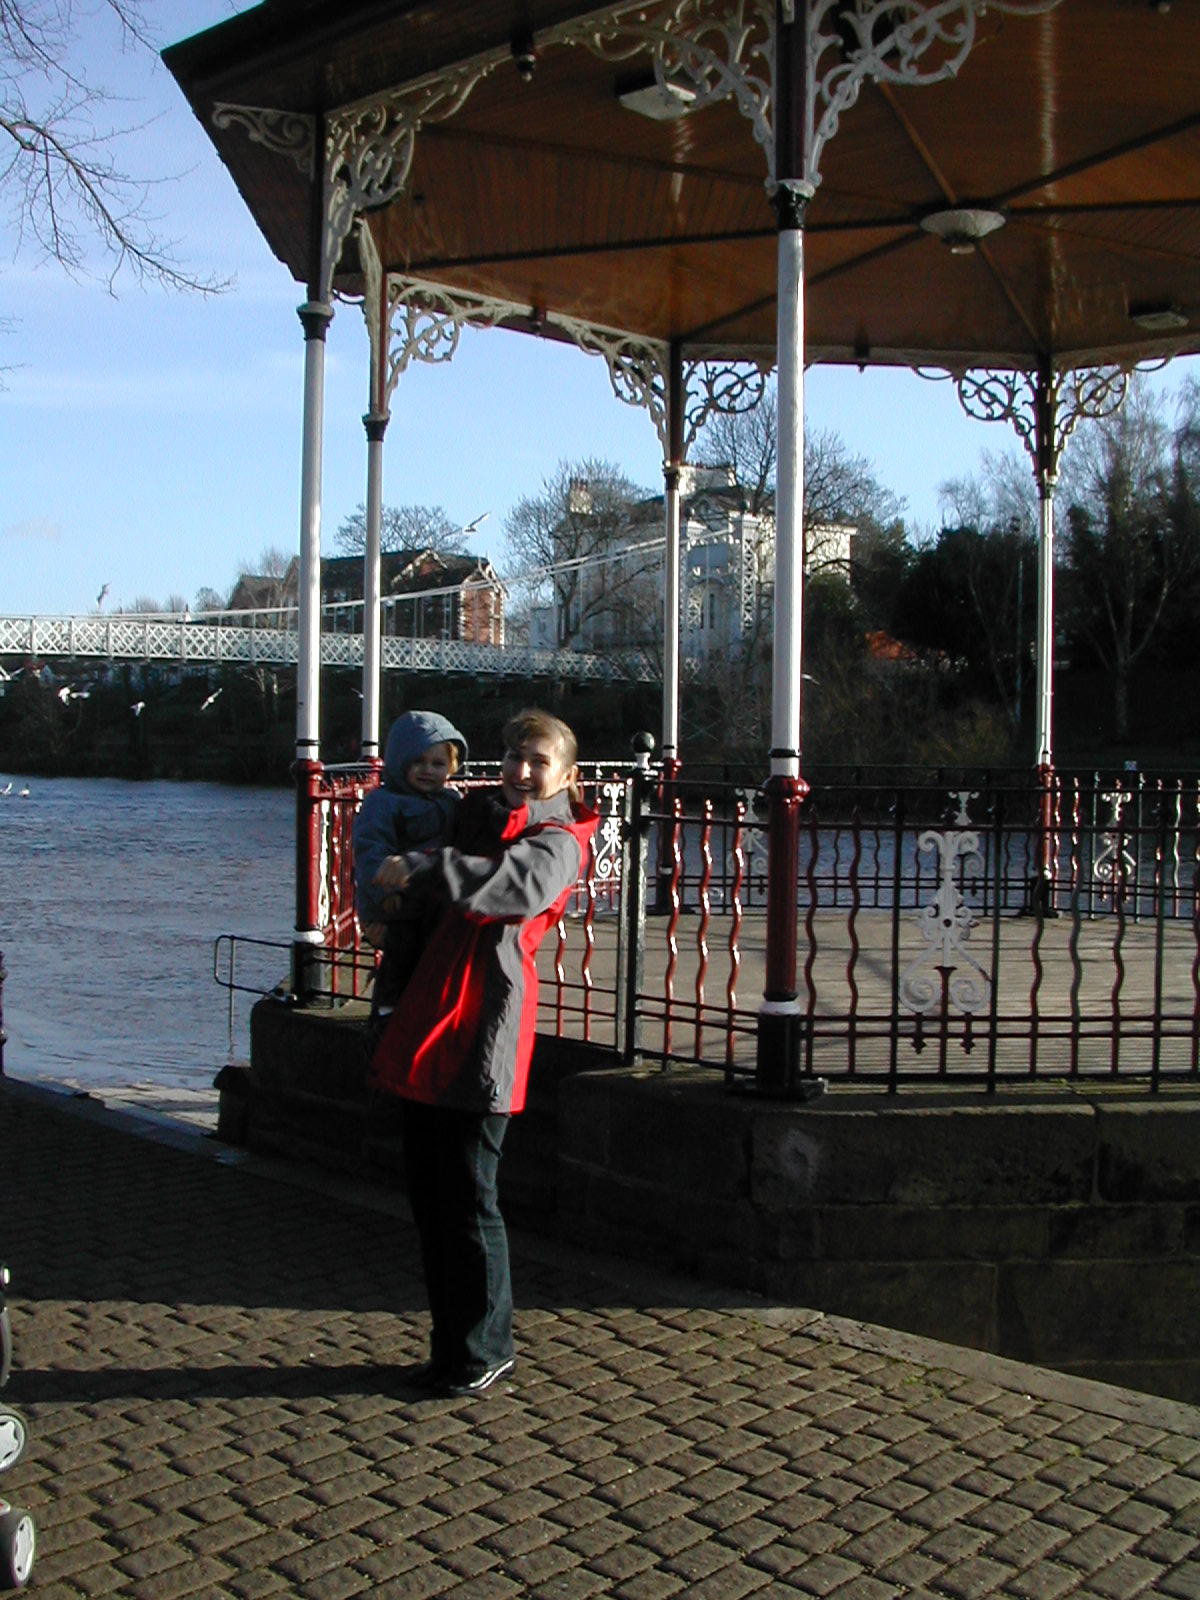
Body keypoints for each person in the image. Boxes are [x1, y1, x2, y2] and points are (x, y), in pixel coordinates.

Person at [369, 707, 599, 1396]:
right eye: (513, 757)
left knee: (470, 1198)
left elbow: (511, 887)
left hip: (484, 1027)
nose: (521, 771)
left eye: (538, 762)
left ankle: (483, 1350)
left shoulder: (559, 840)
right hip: (430, 1015)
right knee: (430, 1195)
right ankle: (451, 1348)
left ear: (566, 776)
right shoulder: (473, 817)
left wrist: (423, 865)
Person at [353, 709, 468, 1017]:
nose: (427, 771)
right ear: (399, 761)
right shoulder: (383, 802)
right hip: (398, 901)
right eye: (418, 762)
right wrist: (383, 894)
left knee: (436, 958)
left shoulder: (451, 801)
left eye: (438, 764)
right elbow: (370, 850)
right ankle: (386, 1014)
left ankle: (430, 1012)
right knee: (400, 958)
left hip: (434, 898)